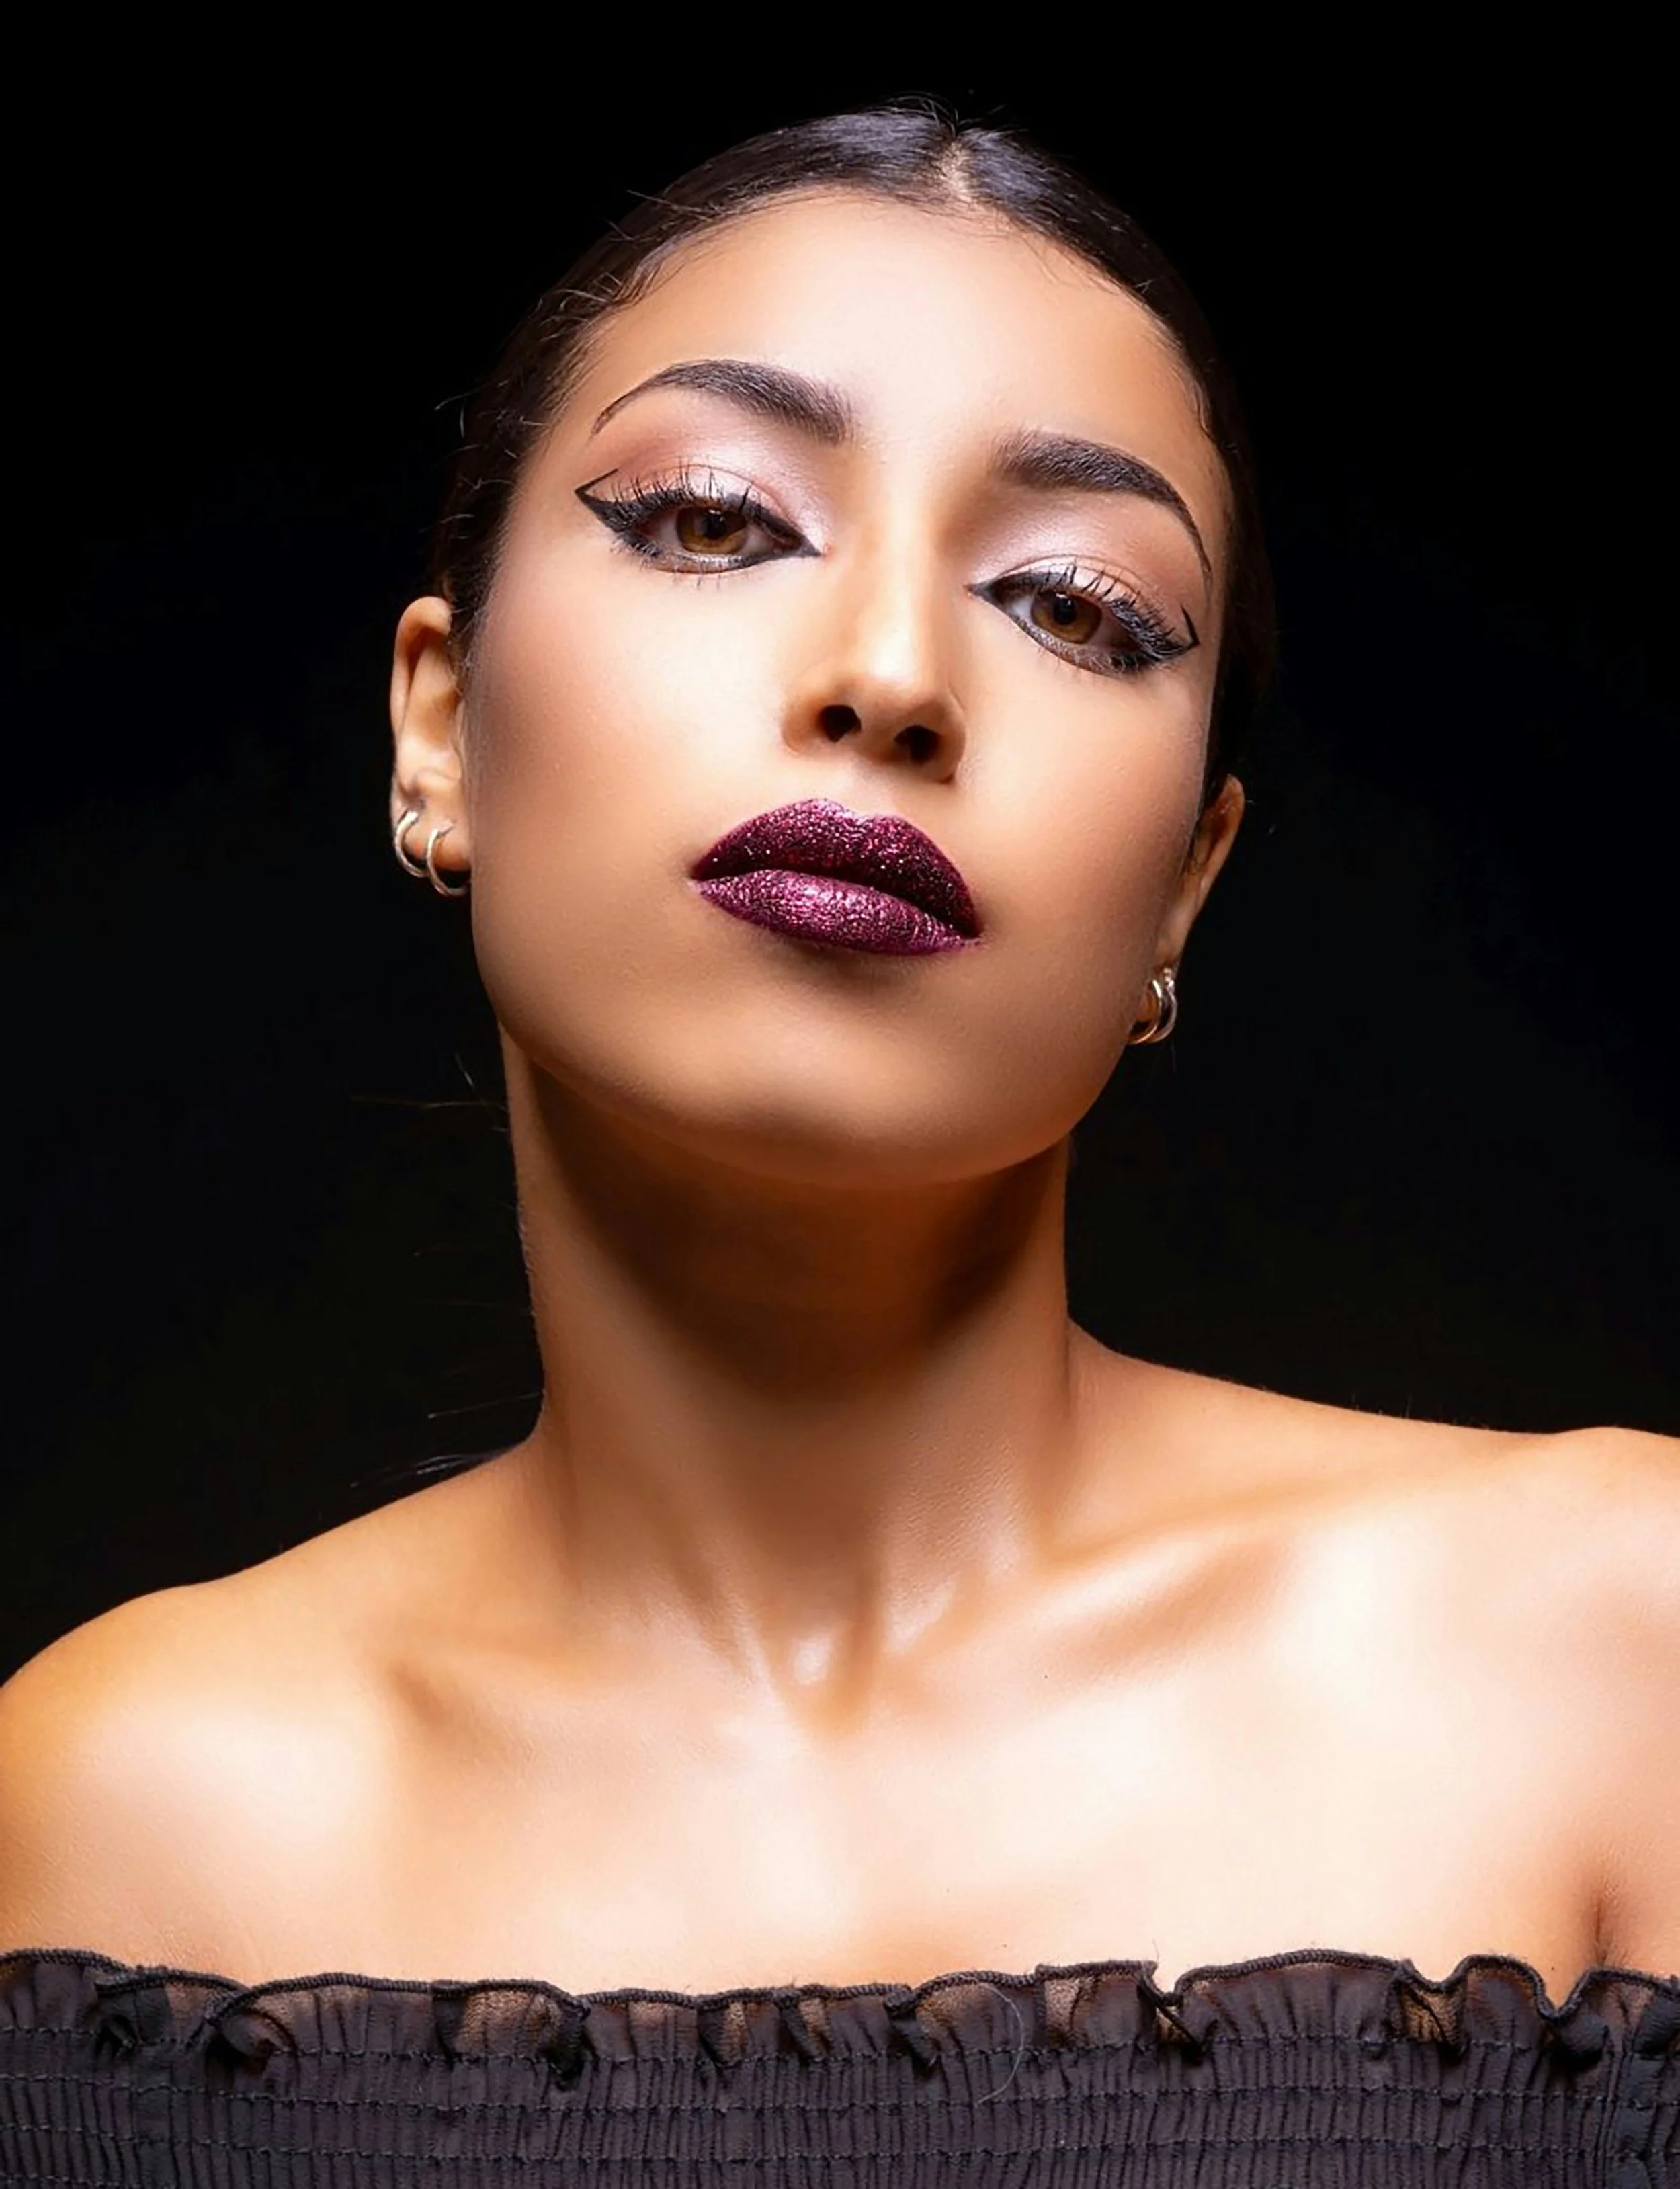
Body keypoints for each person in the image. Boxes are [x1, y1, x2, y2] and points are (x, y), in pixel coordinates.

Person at [1, 105, 1675, 2188]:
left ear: (1184, 887)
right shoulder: (103, 1824)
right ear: (439, 729)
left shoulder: (1615, 1651)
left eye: (1075, 606)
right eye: (715, 520)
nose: (889, 676)